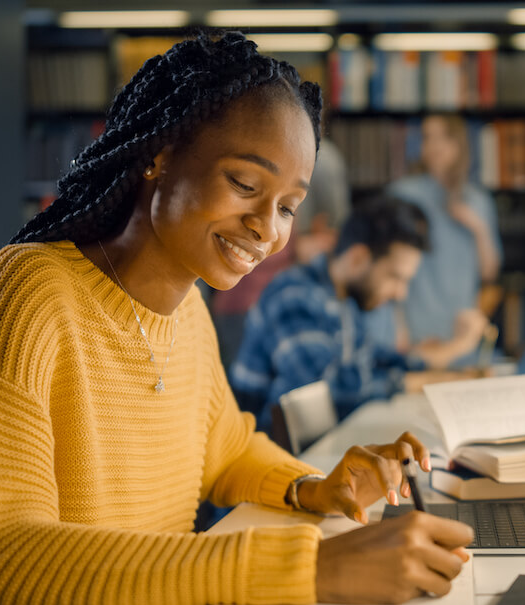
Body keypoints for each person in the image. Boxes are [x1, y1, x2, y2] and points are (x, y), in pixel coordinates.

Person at [0, 33, 472, 605]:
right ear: (160, 154)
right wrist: (308, 567)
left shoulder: (189, 310)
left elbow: (223, 452)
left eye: (287, 207)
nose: (266, 229)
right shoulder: (32, 290)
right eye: (246, 185)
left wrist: (314, 487)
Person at [230, 195, 487, 428]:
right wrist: (426, 382)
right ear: (358, 258)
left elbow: (371, 360)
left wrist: (448, 363)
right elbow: (324, 393)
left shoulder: (343, 300)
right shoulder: (294, 297)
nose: (401, 293)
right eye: (395, 277)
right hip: (265, 458)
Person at [366, 114, 503, 360]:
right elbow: (384, 267)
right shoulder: (403, 195)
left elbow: (489, 273)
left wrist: (478, 229)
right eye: (428, 138)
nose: (435, 146)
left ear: (460, 144)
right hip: (416, 330)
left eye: (444, 137)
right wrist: (397, 326)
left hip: (461, 332)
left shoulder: (478, 201)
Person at [209, 136, 351, 371]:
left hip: (261, 303)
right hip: (244, 306)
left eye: (287, 208)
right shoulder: (319, 159)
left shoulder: (318, 161)